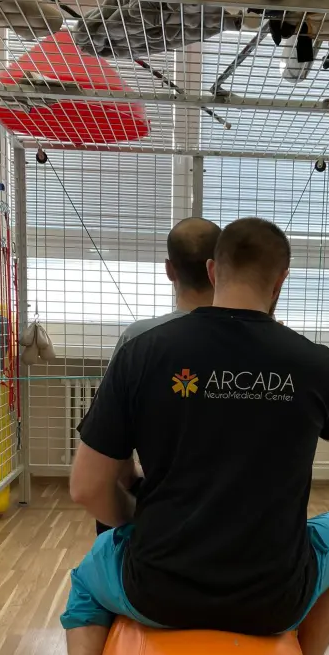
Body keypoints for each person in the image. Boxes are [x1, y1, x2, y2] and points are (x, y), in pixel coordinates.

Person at [61, 217, 329, 655]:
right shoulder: (316, 364)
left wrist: (136, 527)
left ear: (211, 270)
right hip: (273, 597)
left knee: (85, 584)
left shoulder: (143, 352)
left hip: (158, 588)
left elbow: (86, 487)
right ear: (281, 280)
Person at [95, 216, 221, 537]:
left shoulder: (138, 339)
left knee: (109, 498)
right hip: (239, 513)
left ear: (169, 269)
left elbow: (111, 440)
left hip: (163, 506)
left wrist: (132, 482)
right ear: (220, 269)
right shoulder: (258, 339)